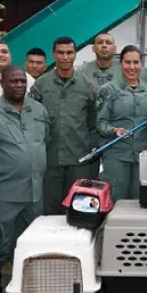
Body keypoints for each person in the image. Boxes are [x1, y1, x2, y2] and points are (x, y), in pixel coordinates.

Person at [0, 65, 50, 293]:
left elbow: (44, 141)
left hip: (34, 190)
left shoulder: (38, 110)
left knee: (32, 243)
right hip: (5, 191)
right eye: (14, 81)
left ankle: (27, 286)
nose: (19, 85)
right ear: (2, 84)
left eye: (22, 81)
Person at [29, 36, 98, 215]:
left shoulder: (87, 86)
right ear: (54, 54)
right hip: (50, 159)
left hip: (79, 160)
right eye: (60, 53)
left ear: (75, 54)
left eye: (69, 53)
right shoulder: (41, 85)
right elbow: (31, 119)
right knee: (49, 210)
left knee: (78, 209)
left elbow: (93, 122)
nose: (65, 57)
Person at [96, 45, 147, 201]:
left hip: (143, 156)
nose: (132, 67)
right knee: (115, 200)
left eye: (136, 62)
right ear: (121, 64)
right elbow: (101, 123)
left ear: (141, 64)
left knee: (141, 201)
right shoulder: (107, 90)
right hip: (117, 156)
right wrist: (114, 130)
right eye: (127, 62)